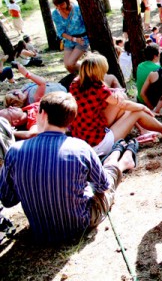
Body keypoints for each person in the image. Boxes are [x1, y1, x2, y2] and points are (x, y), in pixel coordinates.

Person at [0, 92, 138, 243]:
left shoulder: (14, 151)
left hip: (41, 231)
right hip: (80, 225)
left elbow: (7, 200)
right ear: (71, 119)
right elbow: (103, 187)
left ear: (43, 114)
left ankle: (117, 157)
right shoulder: (81, 148)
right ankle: (122, 162)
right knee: (107, 175)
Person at [70, 54, 162, 157]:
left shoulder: (75, 84)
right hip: (98, 143)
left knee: (125, 104)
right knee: (136, 112)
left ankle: (148, 129)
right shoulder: (98, 88)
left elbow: (112, 99)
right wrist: (143, 107)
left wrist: (117, 92)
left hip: (82, 138)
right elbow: (123, 104)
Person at [51, 0, 89, 73]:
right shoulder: (55, 14)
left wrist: (79, 39)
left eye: (61, 4)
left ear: (67, 1)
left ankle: (90, 72)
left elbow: (86, 24)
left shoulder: (77, 9)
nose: (59, 7)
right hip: (69, 41)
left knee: (71, 63)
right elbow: (60, 32)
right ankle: (83, 74)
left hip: (82, 39)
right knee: (67, 66)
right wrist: (73, 39)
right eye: (57, 5)